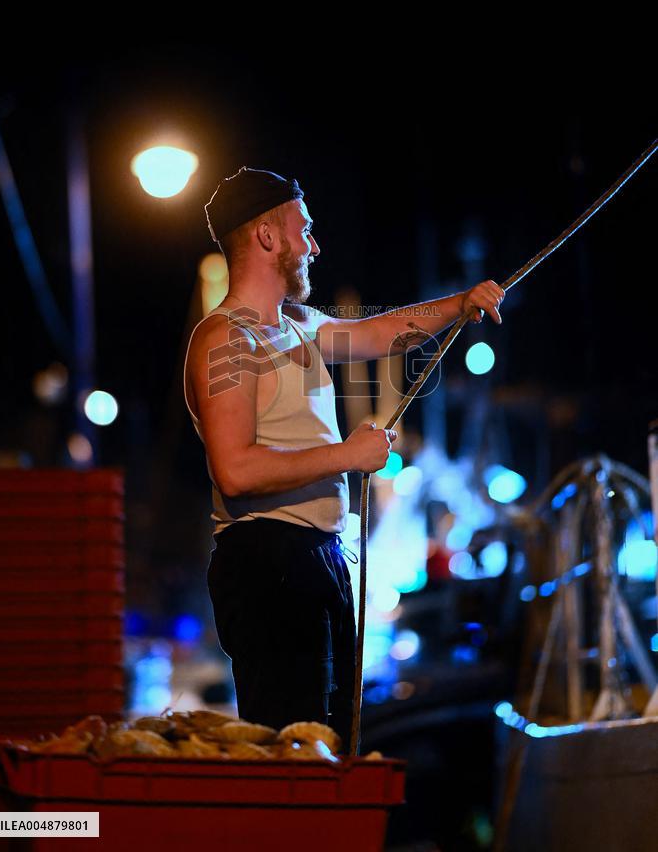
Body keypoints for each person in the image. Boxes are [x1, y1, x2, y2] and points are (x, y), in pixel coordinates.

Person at [183, 166, 505, 750]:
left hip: (317, 557)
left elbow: (382, 333)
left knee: (331, 741)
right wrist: (346, 456)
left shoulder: (299, 326)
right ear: (266, 237)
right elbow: (235, 470)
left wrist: (461, 303)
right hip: (269, 560)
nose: (314, 244)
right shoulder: (227, 338)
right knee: (292, 746)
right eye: (303, 229)